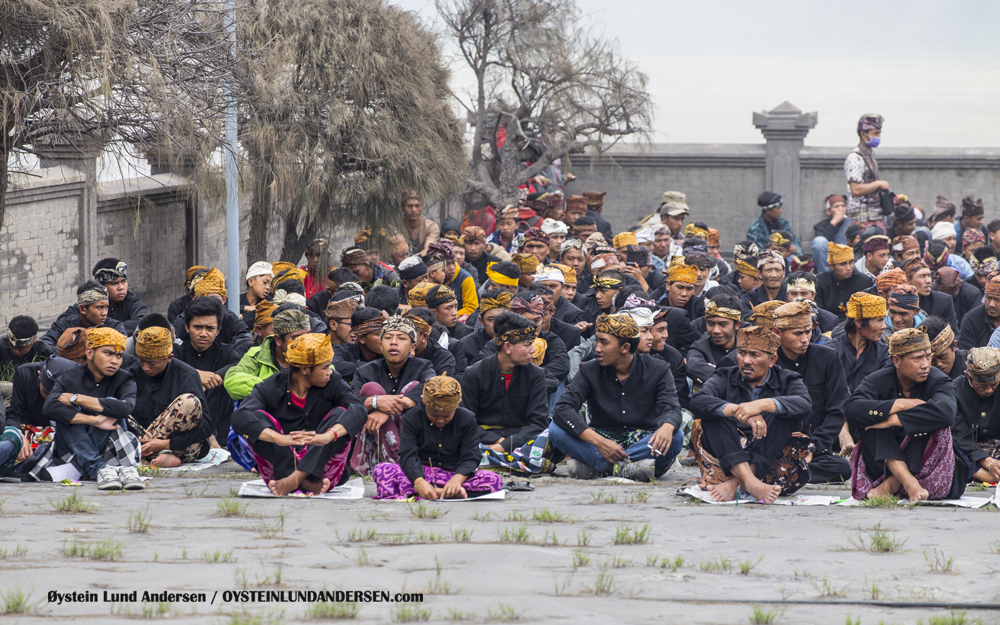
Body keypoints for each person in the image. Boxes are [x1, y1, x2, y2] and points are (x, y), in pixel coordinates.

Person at [550, 312, 684, 482]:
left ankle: (601, 467)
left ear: (625, 347)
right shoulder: (589, 371)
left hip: (643, 440)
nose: (597, 348)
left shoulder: (658, 369)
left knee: (675, 435)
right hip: (602, 440)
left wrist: (668, 425)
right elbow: (563, 408)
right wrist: (599, 442)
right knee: (556, 429)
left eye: (604, 342)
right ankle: (628, 469)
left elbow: (671, 407)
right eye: (597, 341)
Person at [690, 326, 813, 503]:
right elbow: (698, 401)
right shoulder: (725, 375)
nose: (746, 361)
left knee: (781, 415)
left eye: (755, 355)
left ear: (772, 360)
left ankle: (738, 483)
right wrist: (738, 411)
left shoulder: (788, 378)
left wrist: (762, 405)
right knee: (715, 417)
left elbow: (804, 404)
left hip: (769, 449)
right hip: (728, 447)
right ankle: (751, 482)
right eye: (742, 353)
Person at [232, 333, 366, 496]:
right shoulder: (273, 385)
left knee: (340, 414)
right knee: (257, 417)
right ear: (304, 369)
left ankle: (295, 479)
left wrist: (328, 436)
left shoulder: (333, 382)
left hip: (323, 474)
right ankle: (304, 482)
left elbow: (358, 409)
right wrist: (278, 438)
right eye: (325, 367)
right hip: (282, 470)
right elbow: (240, 417)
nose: (329, 372)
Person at [845, 328, 963, 501]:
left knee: (932, 425)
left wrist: (894, 419)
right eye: (917, 358)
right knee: (871, 425)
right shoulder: (877, 380)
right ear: (896, 360)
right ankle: (909, 482)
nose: (926, 364)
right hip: (882, 462)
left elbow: (946, 413)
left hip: (928, 465)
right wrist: (899, 404)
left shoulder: (938, 379)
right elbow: (852, 409)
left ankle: (894, 484)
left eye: (928, 356)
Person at [42, 328, 144, 490]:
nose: (115, 361)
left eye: (119, 356)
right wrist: (93, 420)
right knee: (65, 413)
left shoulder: (125, 379)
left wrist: (78, 399)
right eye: (108, 353)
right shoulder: (70, 376)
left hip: (110, 448)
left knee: (112, 405)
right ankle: (101, 468)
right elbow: (50, 408)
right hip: (70, 448)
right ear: (89, 353)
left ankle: (84, 467)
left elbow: (126, 408)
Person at [373, 375, 503, 500]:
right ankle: (441, 493)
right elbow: (408, 455)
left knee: (494, 480)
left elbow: (471, 456)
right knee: (382, 470)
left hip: (453, 474)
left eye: (447, 416)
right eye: (434, 414)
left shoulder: (467, 419)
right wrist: (419, 482)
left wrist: (456, 481)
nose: (440, 420)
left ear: (458, 403)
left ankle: (432, 492)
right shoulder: (411, 419)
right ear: (423, 401)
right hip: (421, 473)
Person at [461, 312, 552, 473]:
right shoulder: (474, 373)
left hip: (522, 437)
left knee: (549, 435)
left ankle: (493, 460)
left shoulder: (536, 374)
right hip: (484, 436)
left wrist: (503, 446)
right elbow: (466, 420)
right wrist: (498, 441)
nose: (533, 350)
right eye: (527, 345)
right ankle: (518, 463)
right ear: (507, 347)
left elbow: (539, 422)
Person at [771, 302, 851, 483]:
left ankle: (780, 473)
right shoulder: (768, 360)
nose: (805, 339)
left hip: (815, 448)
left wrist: (812, 447)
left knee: (842, 469)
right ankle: (783, 471)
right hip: (773, 446)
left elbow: (837, 410)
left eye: (808, 331)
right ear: (777, 333)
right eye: (797, 333)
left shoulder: (827, 357)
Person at [350, 316, 434, 475]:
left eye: (401, 338)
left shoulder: (423, 366)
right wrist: (375, 402)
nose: (394, 342)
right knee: (371, 388)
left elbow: (431, 386)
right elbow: (351, 400)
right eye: (388, 338)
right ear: (381, 346)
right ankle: (391, 461)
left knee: (415, 387)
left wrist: (387, 409)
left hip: (411, 441)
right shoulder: (365, 371)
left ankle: (403, 458)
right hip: (374, 439)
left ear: (412, 346)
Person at [127, 327, 214, 468]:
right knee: (113, 406)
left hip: (176, 442)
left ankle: (152, 454)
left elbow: (206, 426)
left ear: (169, 358)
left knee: (189, 402)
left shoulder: (187, 375)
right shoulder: (130, 374)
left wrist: (165, 444)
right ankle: (157, 456)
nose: (145, 367)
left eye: (152, 363)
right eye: (142, 361)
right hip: (139, 439)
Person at [175, 297, 241, 444]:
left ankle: (212, 437)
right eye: (198, 327)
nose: (203, 333)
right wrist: (196, 375)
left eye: (210, 328)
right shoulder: (177, 352)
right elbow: (169, 368)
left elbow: (237, 366)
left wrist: (214, 378)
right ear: (187, 327)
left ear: (218, 330)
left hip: (220, 430)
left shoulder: (226, 353)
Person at [4, 357, 78, 476]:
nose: (50, 401)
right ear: (39, 376)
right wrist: (18, 436)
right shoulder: (25, 374)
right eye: (46, 393)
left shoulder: (81, 378)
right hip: (35, 434)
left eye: (57, 398)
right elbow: (14, 414)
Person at [224, 308, 311, 402]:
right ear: (278, 339)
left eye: (308, 336)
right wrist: (277, 388)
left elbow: (327, 374)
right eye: (296, 338)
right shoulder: (258, 355)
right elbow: (232, 379)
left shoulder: (314, 354)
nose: (305, 342)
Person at [171, 268, 253, 357]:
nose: (203, 334)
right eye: (198, 327)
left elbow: (245, 338)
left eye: (213, 298)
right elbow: (172, 340)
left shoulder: (230, 319)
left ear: (224, 300)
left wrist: (226, 355)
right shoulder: (184, 318)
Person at [952, 348, 1000, 484]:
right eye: (981, 385)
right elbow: (959, 435)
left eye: (994, 384)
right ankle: (981, 475)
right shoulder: (954, 391)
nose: (988, 390)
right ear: (968, 376)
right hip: (968, 453)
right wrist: (986, 461)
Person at [828, 293, 891, 393]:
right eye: (879, 321)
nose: (884, 326)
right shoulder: (830, 351)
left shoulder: (884, 353)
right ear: (859, 322)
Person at [845, 114, 895, 230]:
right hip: (862, 218)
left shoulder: (870, 155)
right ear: (863, 134)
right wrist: (878, 184)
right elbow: (855, 189)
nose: (878, 137)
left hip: (875, 216)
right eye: (875, 133)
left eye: (879, 133)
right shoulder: (855, 158)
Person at [40, 282, 126, 349]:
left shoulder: (114, 327)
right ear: (82, 309)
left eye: (106, 307)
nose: (104, 313)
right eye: (99, 307)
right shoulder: (64, 325)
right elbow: (44, 343)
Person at [687, 295, 742, 390]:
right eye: (711, 324)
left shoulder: (746, 348)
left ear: (737, 324)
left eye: (723, 324)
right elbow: (693, 367)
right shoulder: (699, 348)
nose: (716, 330)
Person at [815, 243, 873, 322]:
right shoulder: (820, 282)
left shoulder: (864, 282)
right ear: (831, 266)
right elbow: (820, 312)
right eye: (843, 264)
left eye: (851, 262)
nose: (849, 268)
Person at [92, 258, 148, 336]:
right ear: (102, 286)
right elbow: (71, 317)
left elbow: (143, 320)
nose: (121, 287)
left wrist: (109, 331)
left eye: (123, 281)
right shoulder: (90, 302)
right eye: (114, 283)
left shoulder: (131, 302)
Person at [330, 307, 386, 383]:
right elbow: (333, 365)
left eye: (387, 334)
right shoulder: (342, 350)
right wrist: (378, 368)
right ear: (361, 338)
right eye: (378, 334)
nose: (385, 339)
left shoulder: (392, 352)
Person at [403, 308, 460, 378]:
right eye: (401, 335)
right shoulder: (396, 351)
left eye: (410, 335)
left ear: (424, 337)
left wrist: (411, 362)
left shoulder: (443, 358)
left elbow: (439, 386)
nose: (404, 339)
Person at [903, 258, 957, 330]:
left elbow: (953, 333)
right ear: (907, 280)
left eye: (929, 275)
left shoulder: (943, 301)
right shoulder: (897, 302)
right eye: (922, 276)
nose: (928, 281)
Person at [811, 194, 850, 274]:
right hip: (829, 260)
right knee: (819, 241)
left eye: (843, 206)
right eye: (836, 206)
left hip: (849, 258)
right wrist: (833, 223)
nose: (841, 209)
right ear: (828, 211)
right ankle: (824, 277)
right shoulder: (820, 226)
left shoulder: (852, 223)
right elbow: (821, 248)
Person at [960, 273, 1000, 350]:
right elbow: (966, 355)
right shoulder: (971, 319)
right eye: (988, 298)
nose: (991, 304)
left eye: (997, 300)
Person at [923, 315, 966, 381]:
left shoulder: (972, 366)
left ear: (954, 346)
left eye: (942, 356)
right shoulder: (921, 374)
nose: (938, 364)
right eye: (932, 360)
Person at [240, 262, 273, 330]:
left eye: (270, 285)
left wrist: (240, 316)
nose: (268, 287)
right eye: (265, 282)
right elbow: (223, 311)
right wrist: (246, 308)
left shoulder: (269, 303)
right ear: (251, 281)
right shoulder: (236, 299)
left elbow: (260, 314)